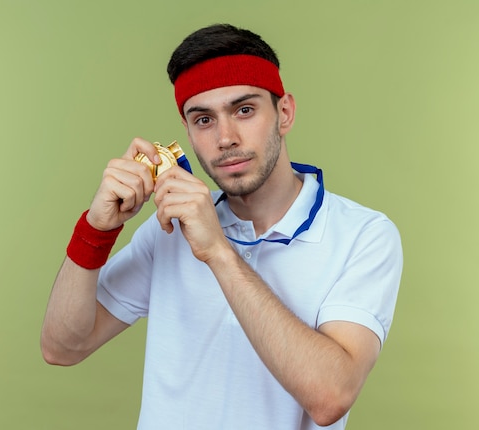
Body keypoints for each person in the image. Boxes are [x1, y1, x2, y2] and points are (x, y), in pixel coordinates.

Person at [41, 23, 403, 430]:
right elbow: (62, 347)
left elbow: (330, 396)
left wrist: (218, 251)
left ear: (284, 113)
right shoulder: (169, 229)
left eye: (244, 110)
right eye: (203, 119)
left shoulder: (364, 235)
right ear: (188, 132)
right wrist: (96, 230)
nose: (225, 138)